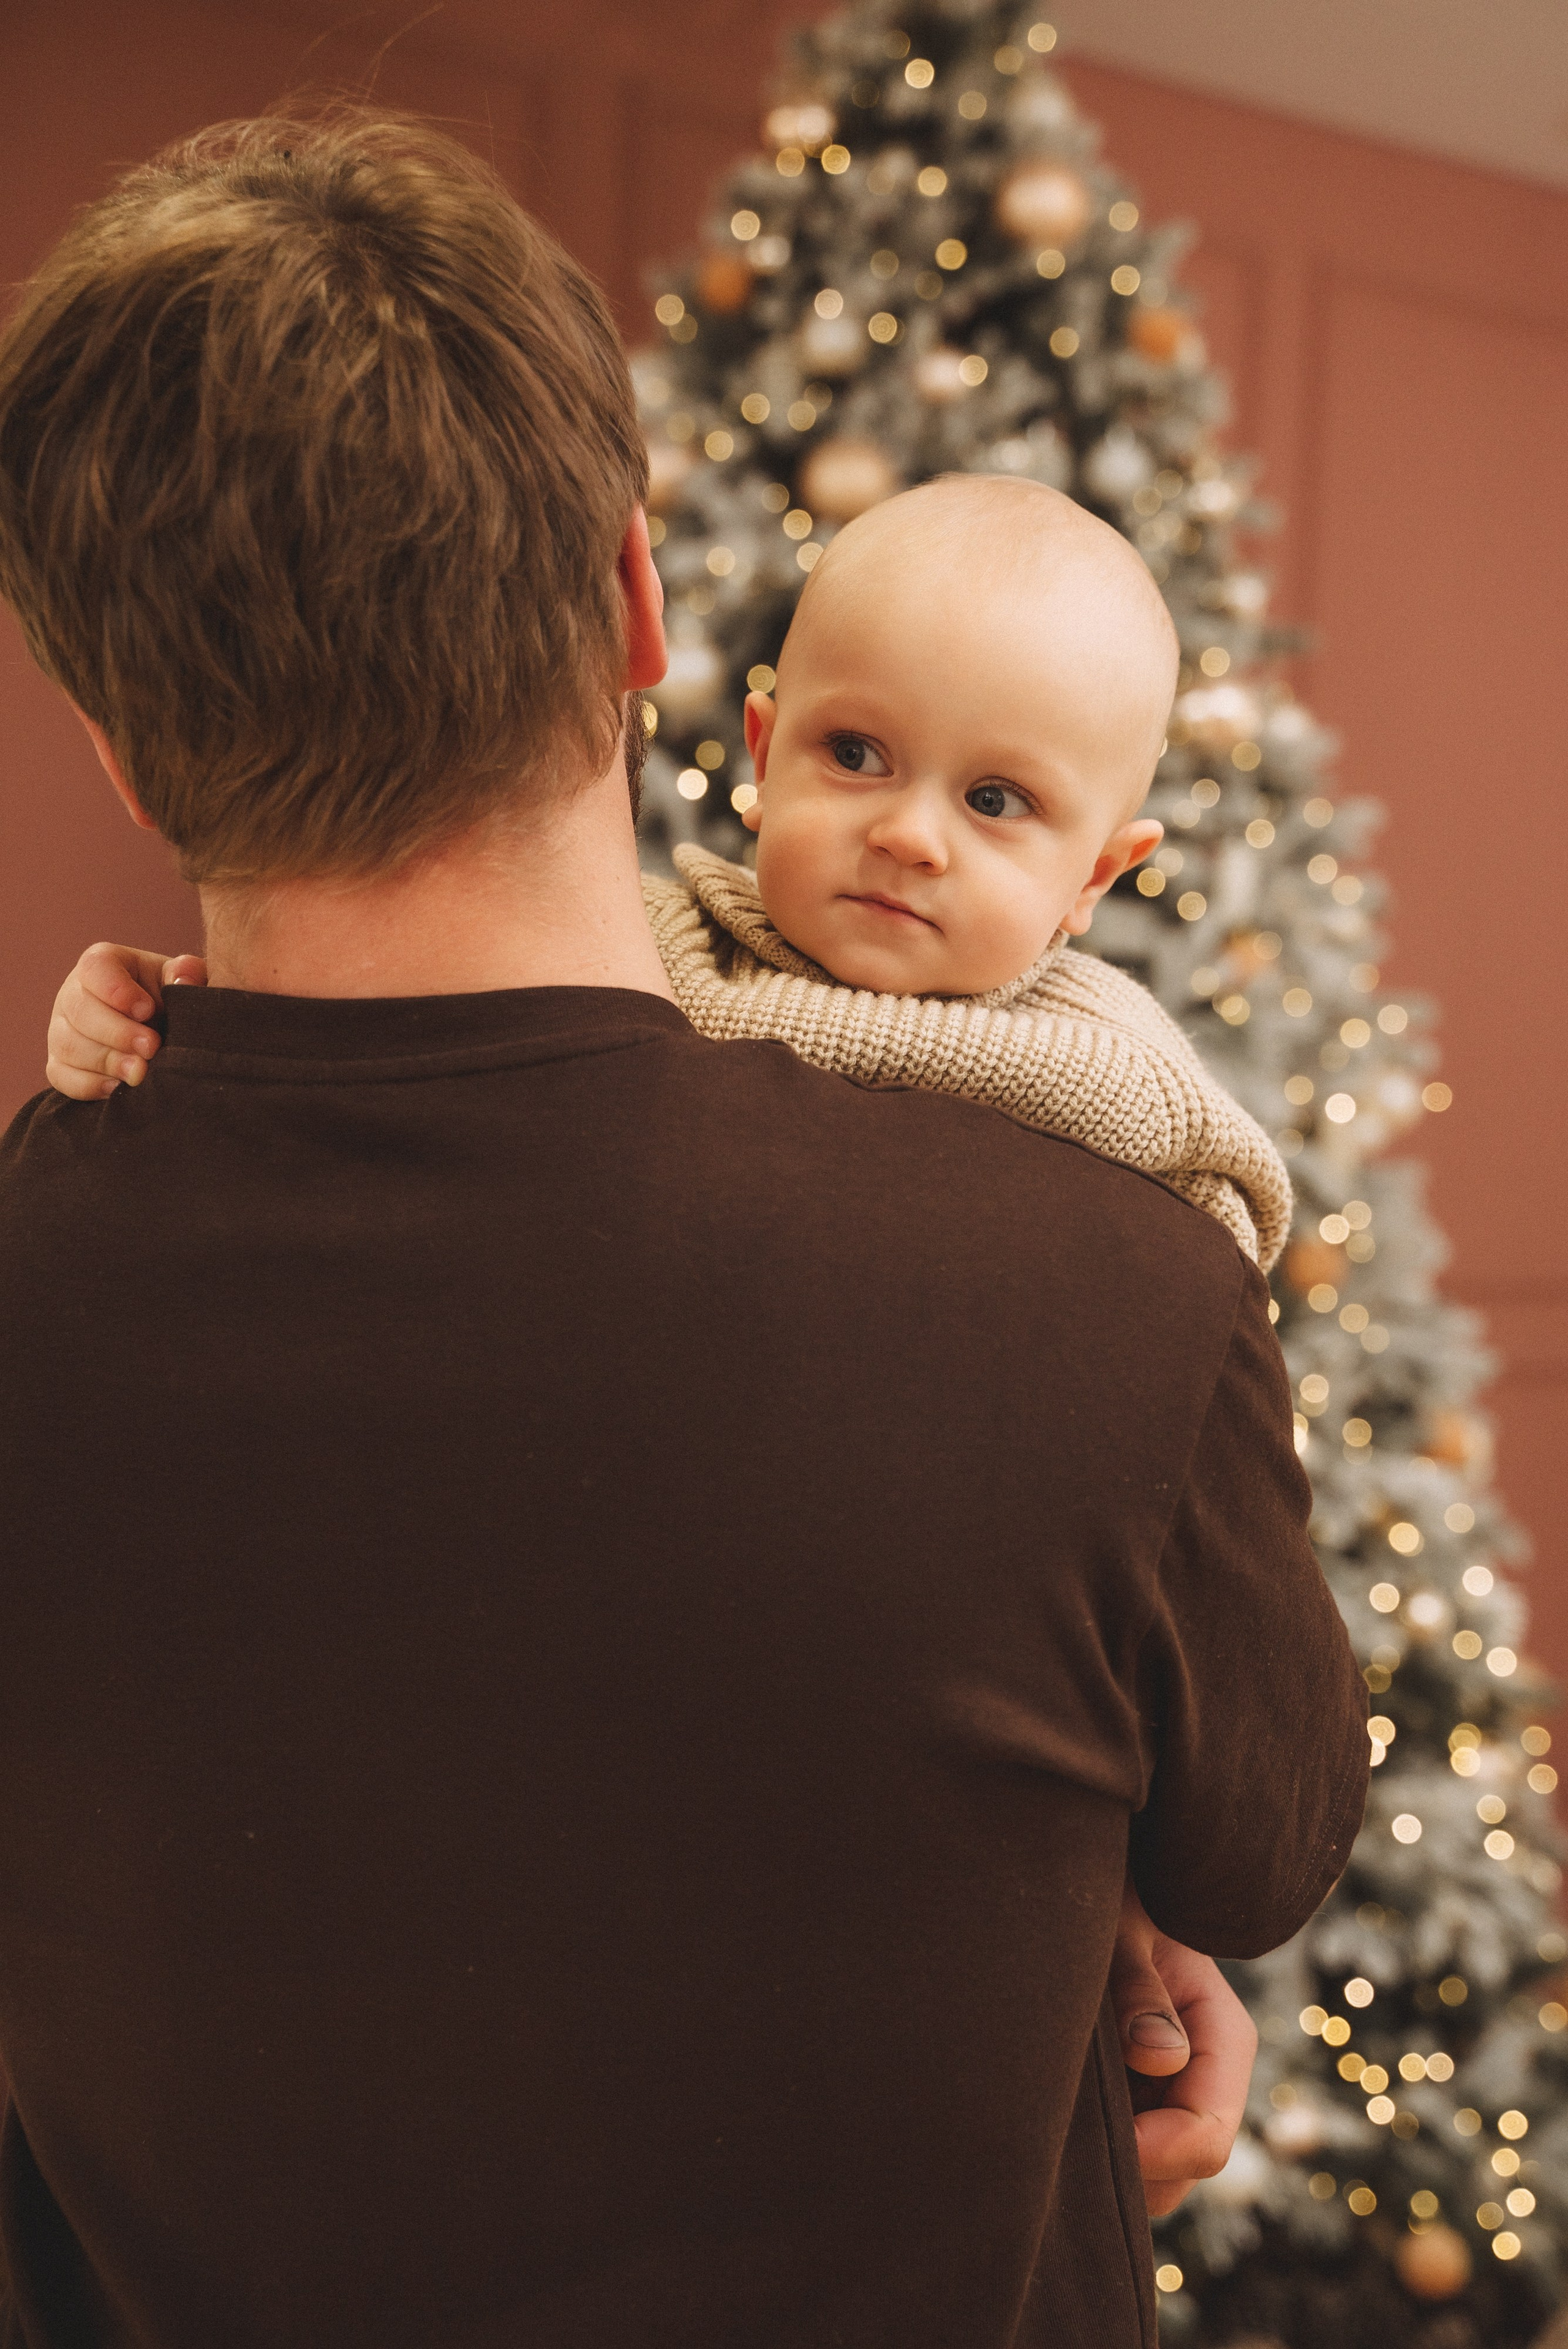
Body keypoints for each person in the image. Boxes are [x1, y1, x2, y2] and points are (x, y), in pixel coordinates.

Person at [0, 108, 1368, 2348]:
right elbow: (1267, 1843)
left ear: (122, 753)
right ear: (642, 606)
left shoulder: (33, 1256)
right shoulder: (1107, 1287)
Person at [51, 477, 1289, 1267]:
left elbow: (1219, 1237)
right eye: (855, 755)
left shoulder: (1110, 1072)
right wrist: (154, 1010)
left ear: (1094, 878)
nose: (911, 836)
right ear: (764, 752)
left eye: (994, 802)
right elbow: (404, 1038)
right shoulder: (649, 945)